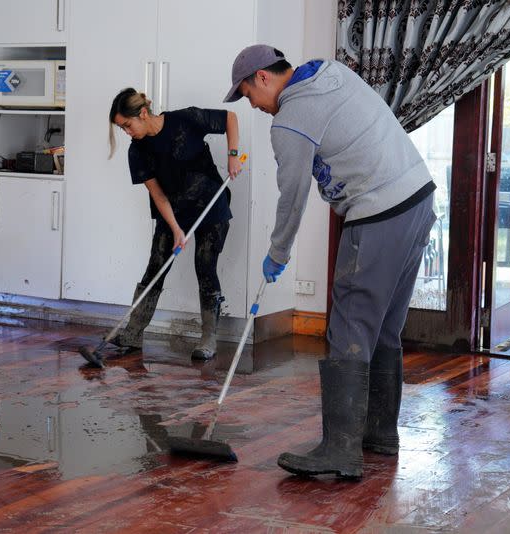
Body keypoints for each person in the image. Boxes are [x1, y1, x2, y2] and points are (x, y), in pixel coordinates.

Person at [224, 45, 436, 479]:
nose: (254, 106)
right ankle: (379, 434)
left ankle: (340, 450)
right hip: (417, 198)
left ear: (263, 78)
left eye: (248, 95)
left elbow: (293, 197)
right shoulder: (331, 72)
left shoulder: (289, 120)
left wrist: (277, 253)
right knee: (383, 327)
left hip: (379, 211)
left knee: (349, 326)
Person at [108, 88, 242, 360]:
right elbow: (157, 194)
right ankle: (133, 332)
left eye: (127, 125)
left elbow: (230, 118)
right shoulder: (137, 151)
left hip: (210, 206)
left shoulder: (186, 119)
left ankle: (208, 339)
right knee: (156, 265)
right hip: (173, 211)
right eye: (122, 128)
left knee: (205, 267)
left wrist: (233, 154)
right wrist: (176, 228)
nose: (127, 132)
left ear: (143, 114)